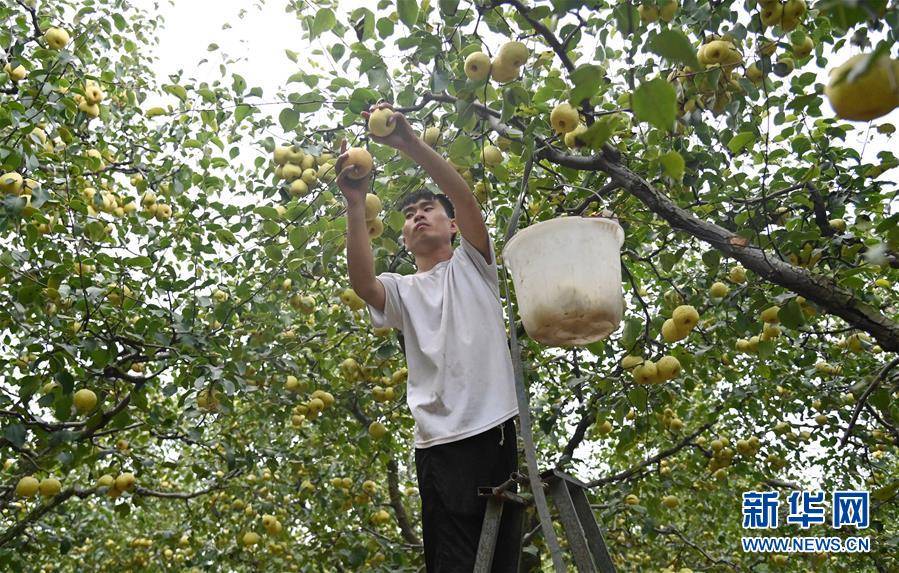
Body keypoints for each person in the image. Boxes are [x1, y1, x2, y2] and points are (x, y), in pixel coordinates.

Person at [335, 102, 522, 572]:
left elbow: (467, 199)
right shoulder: (403, 292)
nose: (419, 216)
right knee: (453, 564)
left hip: (492, 430)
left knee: (499, 562)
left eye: (429, 209)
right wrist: (356, 204)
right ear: (401, 238)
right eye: (410, 214)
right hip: (438, 445)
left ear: (453, 226)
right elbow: (363, 283)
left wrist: (408, 144)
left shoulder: (474, 267)